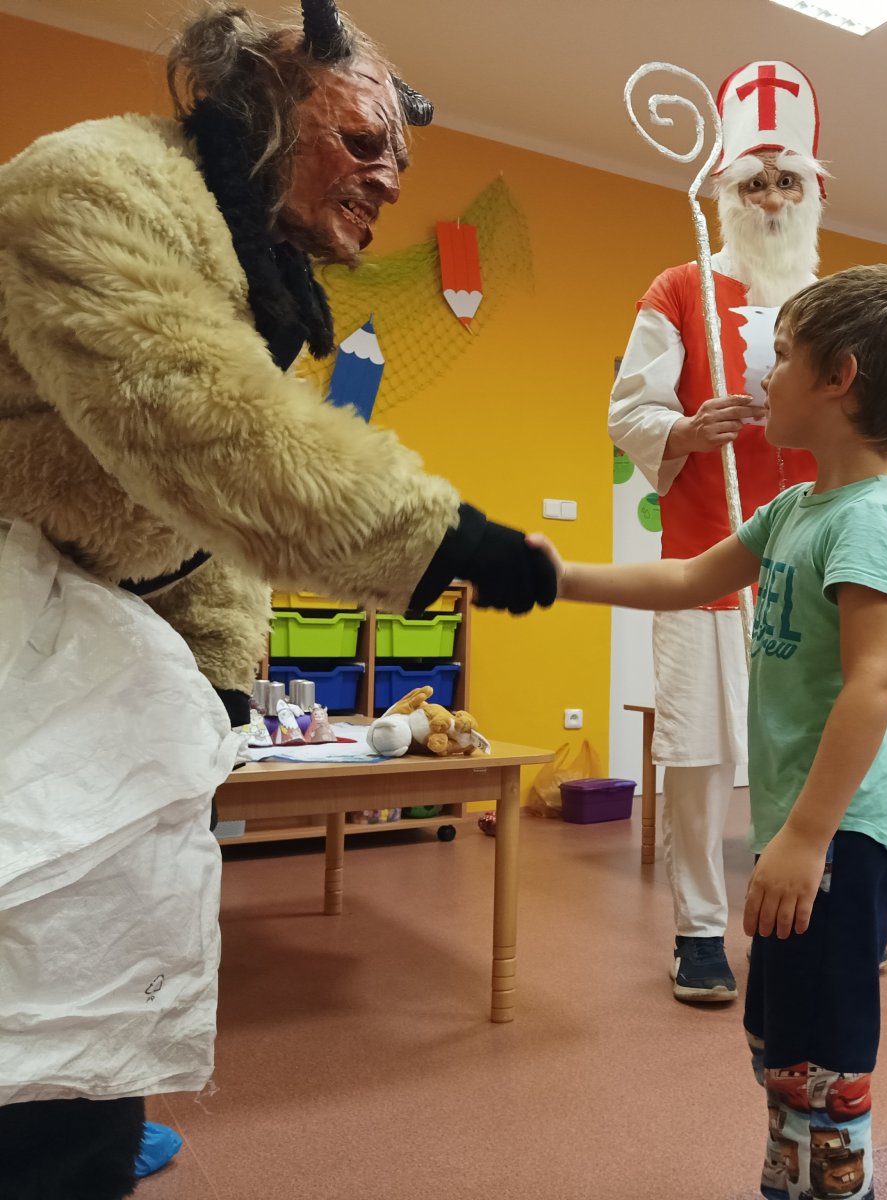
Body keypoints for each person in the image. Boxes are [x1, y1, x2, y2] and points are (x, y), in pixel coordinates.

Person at [0, 3, 554, 1195]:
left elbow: (203, 529)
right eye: (361, 140)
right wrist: (451, 543)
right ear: (258, 98)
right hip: (19, 639)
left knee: (104, 972)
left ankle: (91, 1122)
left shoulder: (260, 270)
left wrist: (220, 683)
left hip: (108, 656)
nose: (390, 179)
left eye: (399, 156)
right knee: (29, 964)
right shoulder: (92, 184)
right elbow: (211, 436)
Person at [548, 265, 887, 1199]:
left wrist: (806, 837)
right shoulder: (795, 507)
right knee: (778, 1042)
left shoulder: (868, 521)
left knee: (823, 1066)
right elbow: (690, 578)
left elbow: (873, 684)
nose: (761, 377)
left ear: (837, 379)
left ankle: (826, 1184)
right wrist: (561, 577)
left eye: (779, 358)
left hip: (842, 834)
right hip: (801, 830)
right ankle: (792, 1177)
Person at [608, 60, 827, 1003]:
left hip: (809, 564)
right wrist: (687, 430)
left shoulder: (830, 306)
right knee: (697, 754)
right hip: (704, 557)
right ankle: (699, 929)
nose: (771, 198)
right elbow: (628, 410)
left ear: (812, 194)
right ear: (726, 194)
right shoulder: (678, 287)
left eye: (788, 181)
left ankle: (802, 910)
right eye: (754, 182)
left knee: (806, 747)